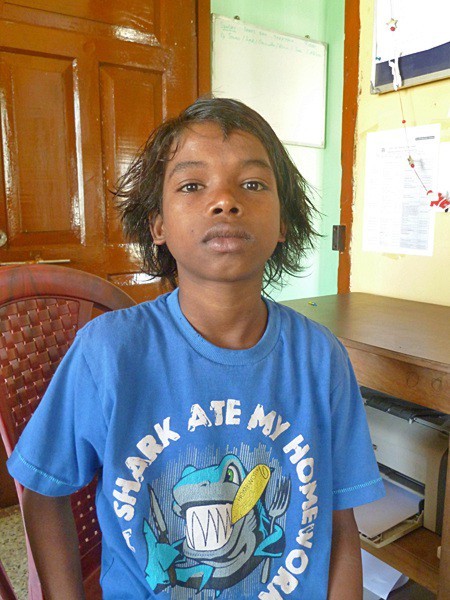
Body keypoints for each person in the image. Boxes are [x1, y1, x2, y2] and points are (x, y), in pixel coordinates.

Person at [8, 97, 384, 600]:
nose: (225, 201)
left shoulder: (321, 358)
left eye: (253, 184)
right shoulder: (108, 353)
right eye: (192, 185)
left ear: (283, 223)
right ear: (158, 225)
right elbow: (43, 490)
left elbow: (339, 524)